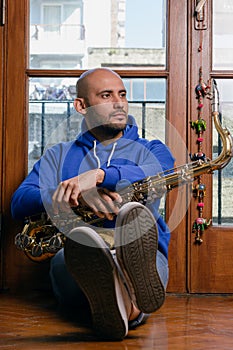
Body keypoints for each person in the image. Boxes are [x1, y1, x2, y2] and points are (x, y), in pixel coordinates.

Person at [11, 68, 175, 341]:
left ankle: (121, 308)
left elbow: (159, 169)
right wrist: (70, 194)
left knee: (142, 266)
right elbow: (19, 202)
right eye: (106, 95)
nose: (119, 102)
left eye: (122, 94)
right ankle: (130, 310)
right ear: (81, 105)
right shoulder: (59, 155)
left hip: (141, 253)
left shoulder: (152, 148)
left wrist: (100, 177)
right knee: (69, 258)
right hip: (77, 253)